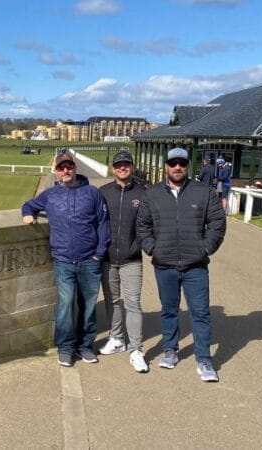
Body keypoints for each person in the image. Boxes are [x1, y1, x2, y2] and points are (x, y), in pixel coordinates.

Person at [136, 147, 226, 382]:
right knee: (169, 310)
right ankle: (170, 349)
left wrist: (205, 248)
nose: (178, 167)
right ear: (166, 166)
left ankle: (204, 358)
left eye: (182, 163)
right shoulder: (152, 193)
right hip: (164, 263)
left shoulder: (203, 192)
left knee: (200, 312)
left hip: (195, 265)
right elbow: (143, 226)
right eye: (173, 163)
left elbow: (217, 223)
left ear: (188, 166)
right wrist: (153, 248)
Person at [21, 149, 111, 367]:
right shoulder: (50, 195)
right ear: (56, 172)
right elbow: (29, 205)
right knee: (66, 306)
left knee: (88, 307)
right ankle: (66, 347)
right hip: (63, 261)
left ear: (75, 168)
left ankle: (85, 346)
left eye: (69, 166)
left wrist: (99, 253)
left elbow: (103, 223)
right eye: (61, 168)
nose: (66, 170)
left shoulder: (92, 192)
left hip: (90, 260)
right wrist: (28, 214)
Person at [97, 151, 148, 372]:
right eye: (118, 165)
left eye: (126, 164)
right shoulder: (104, 192)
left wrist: (147, 246)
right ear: (113, 168)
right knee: (112, 301)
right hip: (107, 258)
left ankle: (136, 349)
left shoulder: (144, 193)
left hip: (132, 259)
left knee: (133, 303)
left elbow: (153, 223)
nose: (122, 168)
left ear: (133, 167)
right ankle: (117, 339)